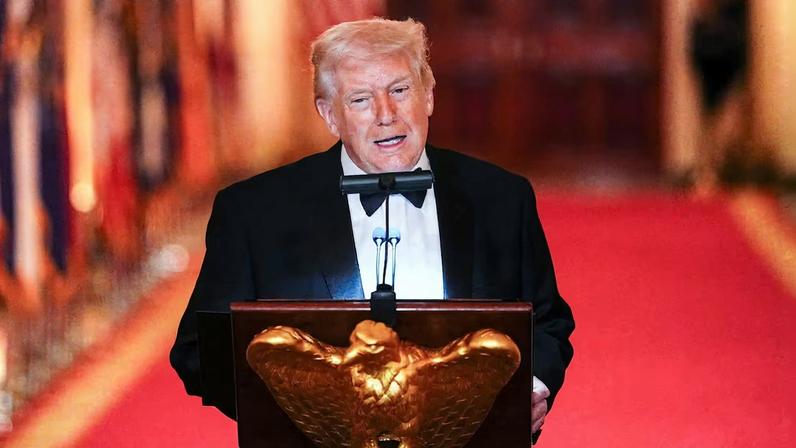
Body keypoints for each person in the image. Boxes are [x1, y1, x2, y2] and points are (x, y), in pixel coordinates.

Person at [170, 17, 574, 440]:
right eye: (360, 99)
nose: (386, 115)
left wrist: (530, 391)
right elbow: (200, 351)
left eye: (399, 91)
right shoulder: (253, 212)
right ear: (329, 115)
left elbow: (547, 323)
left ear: (428, 95)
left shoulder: (502, 198)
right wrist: (295, 416)